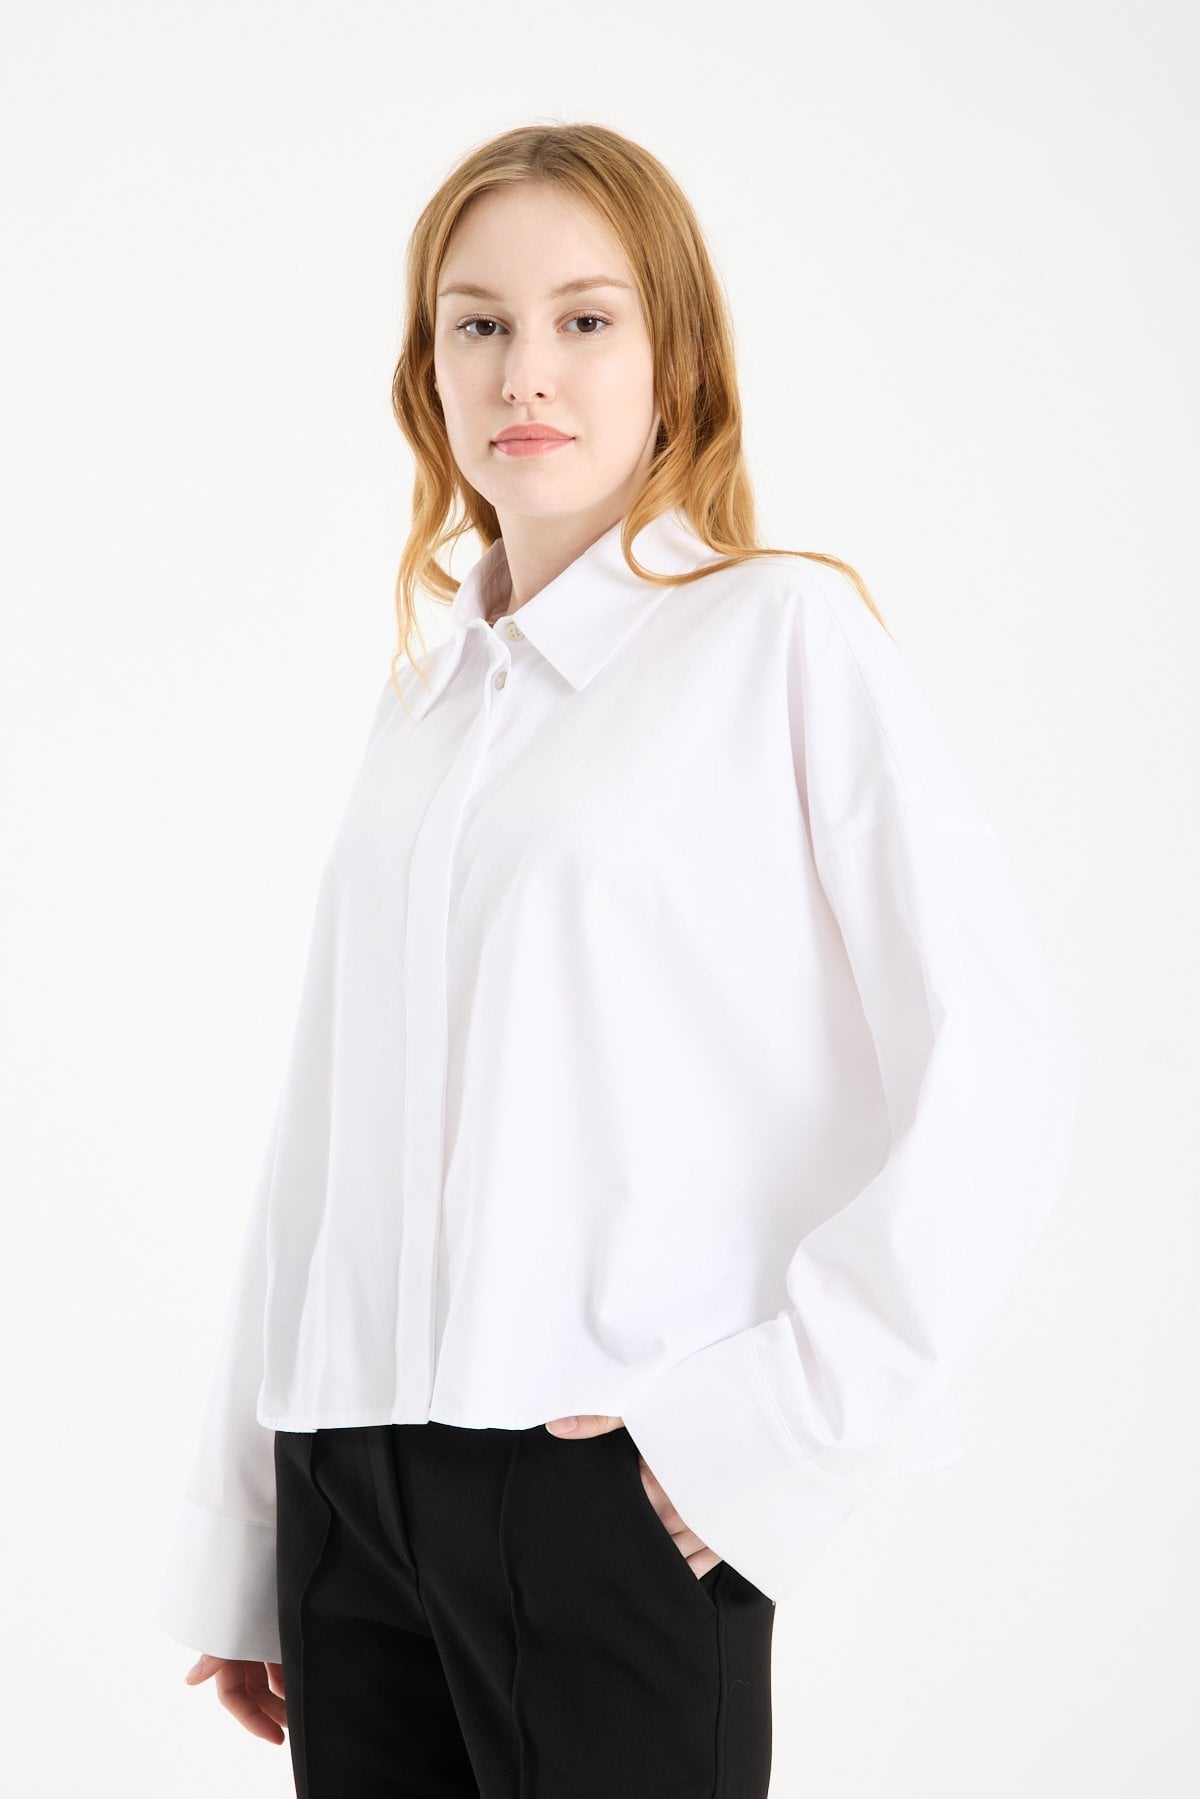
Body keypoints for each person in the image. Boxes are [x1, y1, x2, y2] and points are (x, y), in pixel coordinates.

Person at [157, 122, 1081, 1798]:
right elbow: (321, 1136)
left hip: (603, 1487)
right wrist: (249, 1532)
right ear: (427, 369)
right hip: (346, 1491)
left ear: (676, 359)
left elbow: (995, 1058)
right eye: (479, 323)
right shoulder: (428, 704)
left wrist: (765, 1434)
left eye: (586, 319)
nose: (527, 369)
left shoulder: (777, 638)